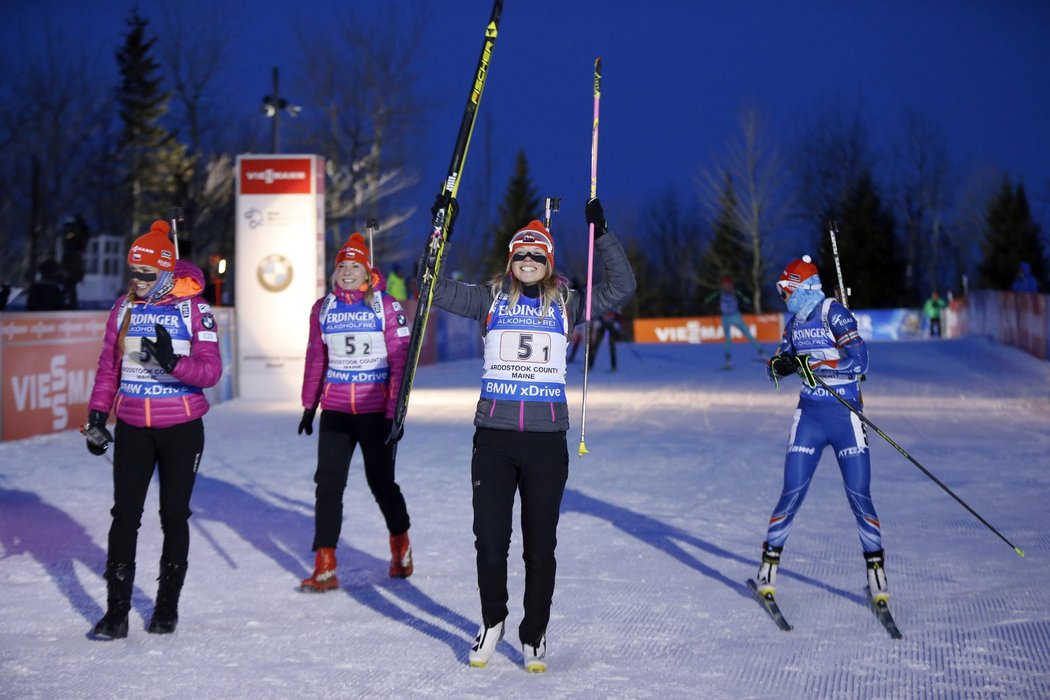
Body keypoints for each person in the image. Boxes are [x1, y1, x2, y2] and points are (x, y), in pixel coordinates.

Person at [431, 197, 635, 672]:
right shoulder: (488, 299)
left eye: (536, 256)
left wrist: (602, 233)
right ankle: (492, 621)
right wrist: (441, 231)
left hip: (545, 444)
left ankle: (534, 632)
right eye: (520, 255)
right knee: (489, 540)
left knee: (540, 545)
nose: (527, 262)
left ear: (549, 263)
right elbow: (433, 287)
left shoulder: (568, 303)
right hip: (494, 441)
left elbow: (623, 285)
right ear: (510, 261)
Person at [84, 220, 222, 639]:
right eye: (134, 272)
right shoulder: (123, 309)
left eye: (147, 273)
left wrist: (173, 362)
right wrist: (95, 416)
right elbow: (109, 368)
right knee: (124, 516)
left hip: (181, 427)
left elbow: (212, 372)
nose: (138, 280)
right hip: (132, 428)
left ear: (165, 272)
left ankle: (166, 608)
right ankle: (117, 613)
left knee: (174, 516)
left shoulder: (195, 310)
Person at [757, 255, 889, 604]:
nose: (783, 297)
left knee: (859, 496)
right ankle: (767, 571)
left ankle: (877, 578)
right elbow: (775, 367)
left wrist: (815, 363)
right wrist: (780, 365)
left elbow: (860, 362)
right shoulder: (794, 324)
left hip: (845, 415)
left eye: (786, 290)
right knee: (792, 492)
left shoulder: (834, 313)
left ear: (802, 287)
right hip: (810, 418)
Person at [297, 233, 413, 592]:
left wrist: (395, 414)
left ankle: (400, 544)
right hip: (335, 410)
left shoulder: (386, 306)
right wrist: (309, 404)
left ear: (368, 270)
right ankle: (325, 563)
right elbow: (317, 358)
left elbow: (401, 363)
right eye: (342, 266)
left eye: (355, 266)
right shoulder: (324, 308)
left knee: (381, 483)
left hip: (374, 411)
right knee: (328, 485)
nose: (348, 272)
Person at [706, 275, 763, 369]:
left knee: (748, 334)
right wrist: (711, 307)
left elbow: (745, 300)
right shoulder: (719, 293)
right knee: (727, 339)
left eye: (728, 285)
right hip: (726, 317)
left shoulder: (735, 292)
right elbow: (708, 300)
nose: (726, 287)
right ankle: (728, 361)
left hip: (736, 316)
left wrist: (748, 305)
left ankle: (762, 354)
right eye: (725, 285)